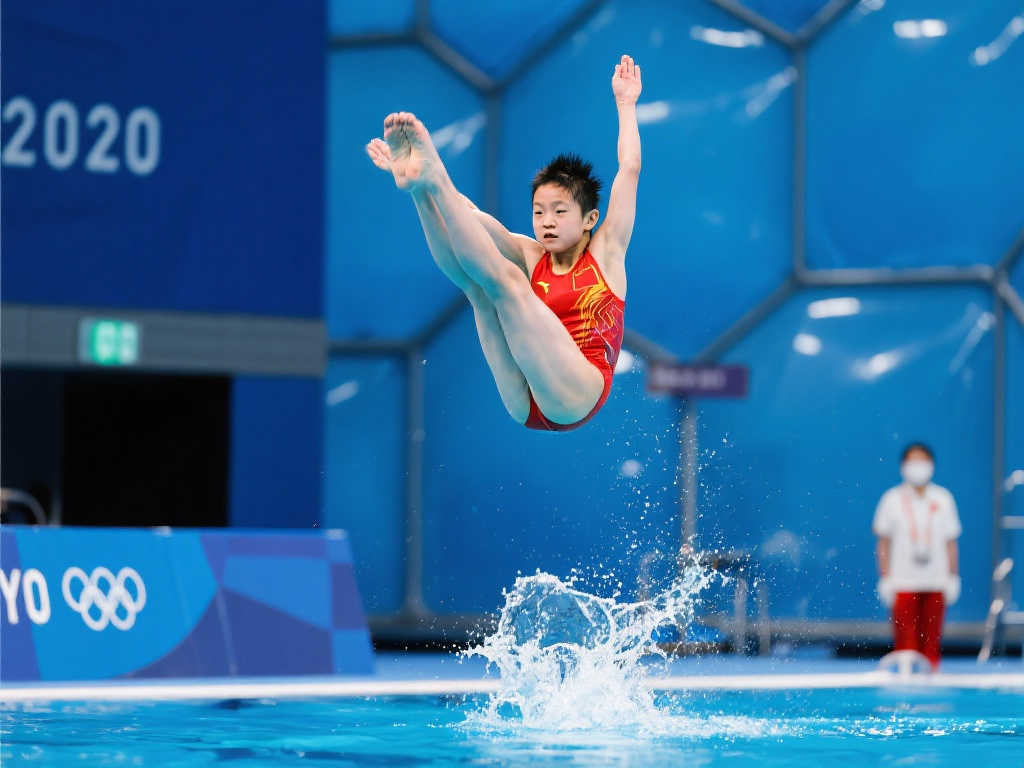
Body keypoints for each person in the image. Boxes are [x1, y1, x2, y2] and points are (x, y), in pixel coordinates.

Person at [365, 54, 642, 431]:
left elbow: (629, 169)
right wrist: (422, 187)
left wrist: (626, 105)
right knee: (476, 289)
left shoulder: (607, 250)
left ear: (590, 219)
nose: (546, 223)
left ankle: (434, 176)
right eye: (539, 212)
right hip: (525, 402)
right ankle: (419, 184)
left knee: (508, 284)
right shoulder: (531, 253)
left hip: (578, 395)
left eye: (560, 212)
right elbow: (468, 214)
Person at [873, 443, 962, 669]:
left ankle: (931, 686)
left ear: (931, 465)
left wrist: (953, 576)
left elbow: (951, 542)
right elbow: (883, 542)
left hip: (936, 580)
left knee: (931, 643)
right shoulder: (891, 499)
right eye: (913, 461)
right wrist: (885, 577)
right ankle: (905, 689)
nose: (918, 467)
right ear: (903, 466)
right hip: (903, 581)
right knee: (906, 643)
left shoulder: (943, 498)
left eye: (923, 461)